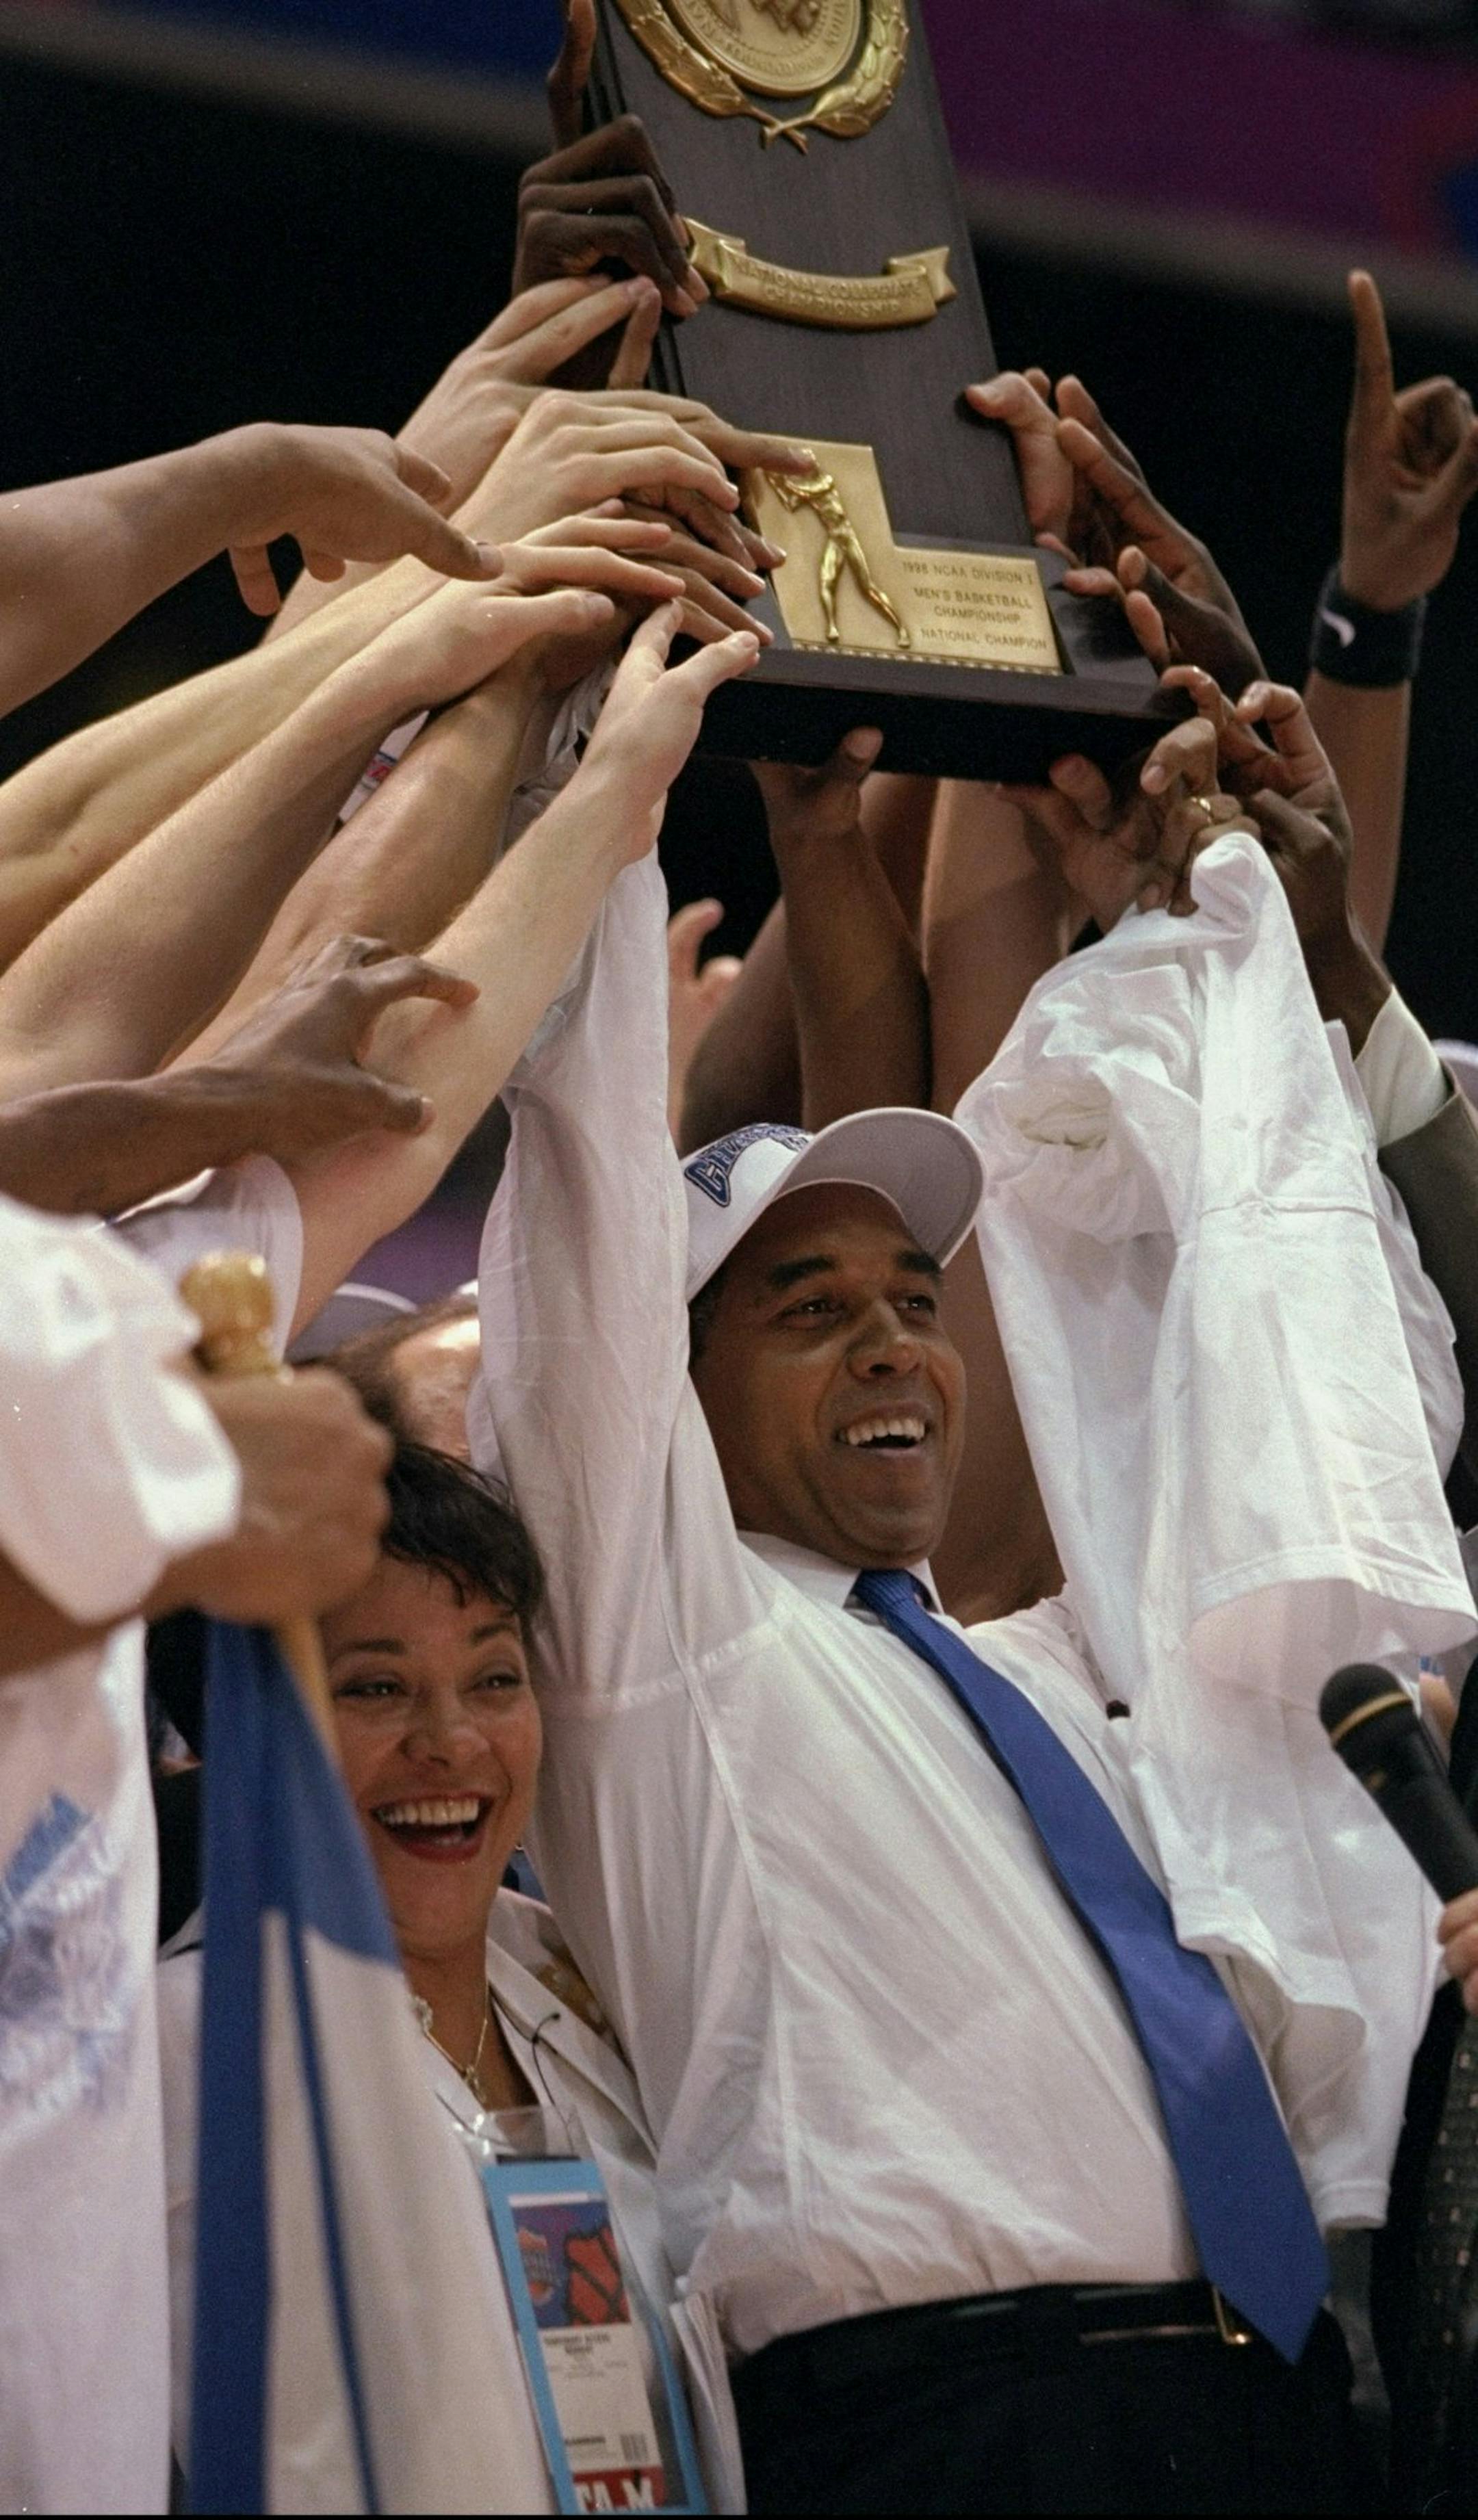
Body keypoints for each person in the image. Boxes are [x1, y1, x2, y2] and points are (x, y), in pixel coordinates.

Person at [465, 650, 1476, 2513]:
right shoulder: (668, 1638)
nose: (894, 1349)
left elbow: (1235, 1303)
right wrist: (604, 740)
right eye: (809, 1306)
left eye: (918, 1304)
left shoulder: (1051, 1670)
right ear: (674, 1394)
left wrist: (1191, 916)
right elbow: (591, 1199)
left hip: (1280, 2409)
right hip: (958, 2428)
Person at [156, 1442, 677, 2508]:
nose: (452, 1743)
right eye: (377, 1688)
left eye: (494, 1678)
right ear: (237, 1740)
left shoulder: (592, 1996)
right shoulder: (181, 2052)